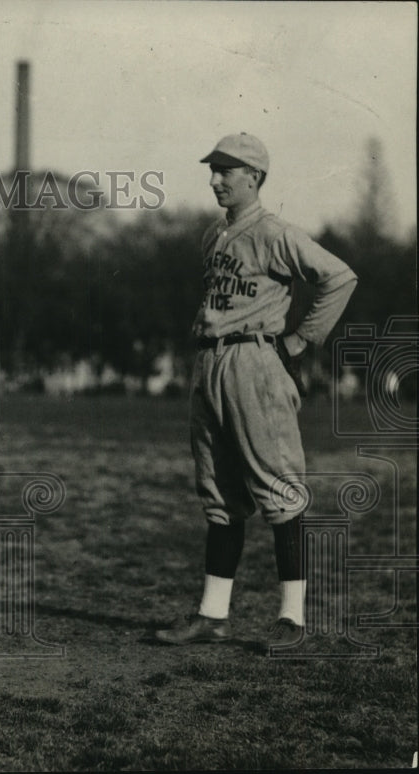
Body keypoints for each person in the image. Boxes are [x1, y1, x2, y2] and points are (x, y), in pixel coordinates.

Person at [155, 133, 357, 650]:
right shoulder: (213, 235)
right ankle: (213, 616)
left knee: (282, 490)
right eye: (213, 169)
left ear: (255, 178)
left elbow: (339, 277)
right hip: (212, 364)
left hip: (256, 364)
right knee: (219, 495)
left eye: (227, 170)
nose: (215, 179)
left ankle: (292, 619)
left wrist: (298, 341)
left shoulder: (275, 233)